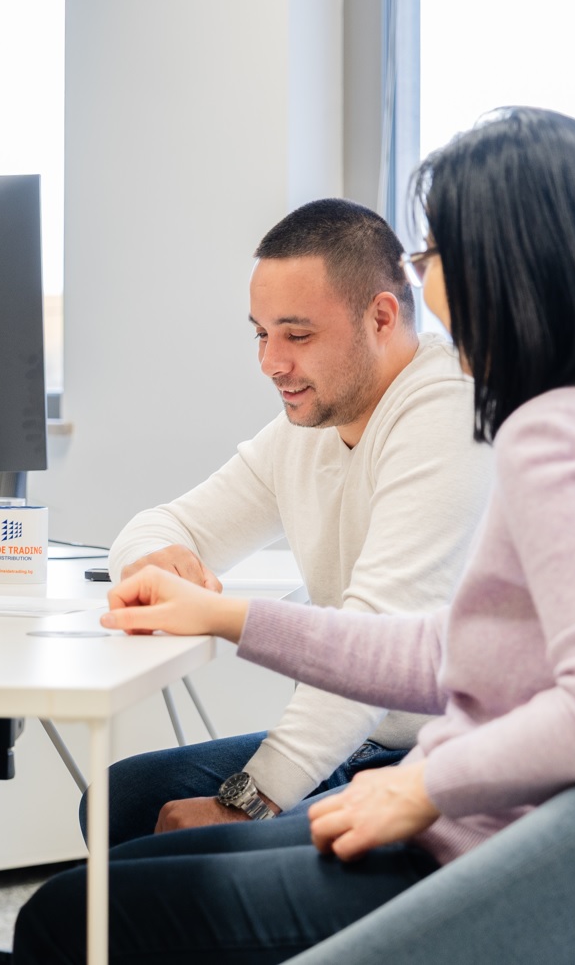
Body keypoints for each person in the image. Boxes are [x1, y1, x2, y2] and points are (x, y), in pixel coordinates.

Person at [14, 106, 575, 962]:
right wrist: (226, 616)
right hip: (521, 826)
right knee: (118, 855)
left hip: (493, 857)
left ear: (512, 258)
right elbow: (456, 648)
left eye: (433, 251)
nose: (423, 278)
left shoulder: (556, 436)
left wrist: (421, 785)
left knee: (70, 916)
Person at [97, 198, 492, 844]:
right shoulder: (309, 426)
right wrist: (151, 559)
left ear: (381, 317)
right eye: (261, 334)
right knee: (121, 801)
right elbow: (165, 524)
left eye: (296, 336)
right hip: (366, 740)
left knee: (170, 848)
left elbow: (372, 648)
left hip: (435, 757)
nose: (270, 362)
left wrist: (248, 801)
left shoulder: (445, 413)